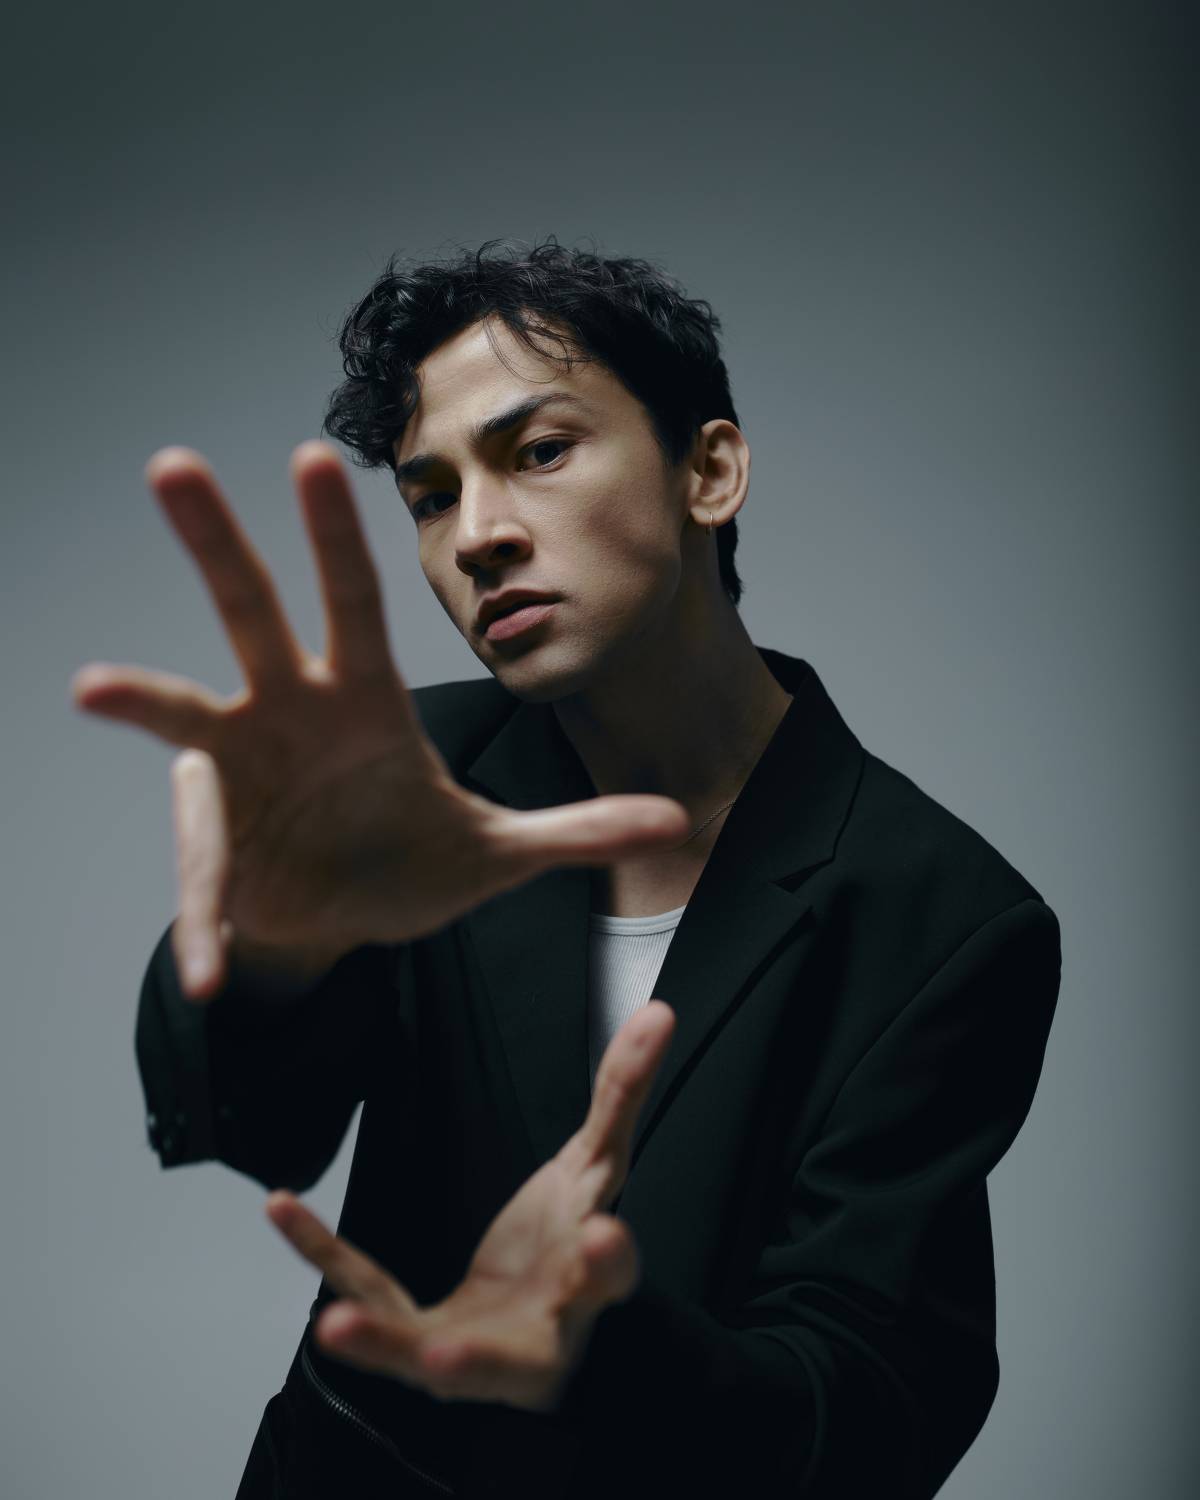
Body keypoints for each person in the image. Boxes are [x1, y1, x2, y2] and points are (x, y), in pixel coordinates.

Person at [73, 238, 1063, 1498]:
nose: (477, 536)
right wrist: (270, 944)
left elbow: (870, 1410)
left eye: (538, 452)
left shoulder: (943, 917)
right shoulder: (414, 777)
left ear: (710, 470)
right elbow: (254, 1128)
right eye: (432, 497)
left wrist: (607, 1351)